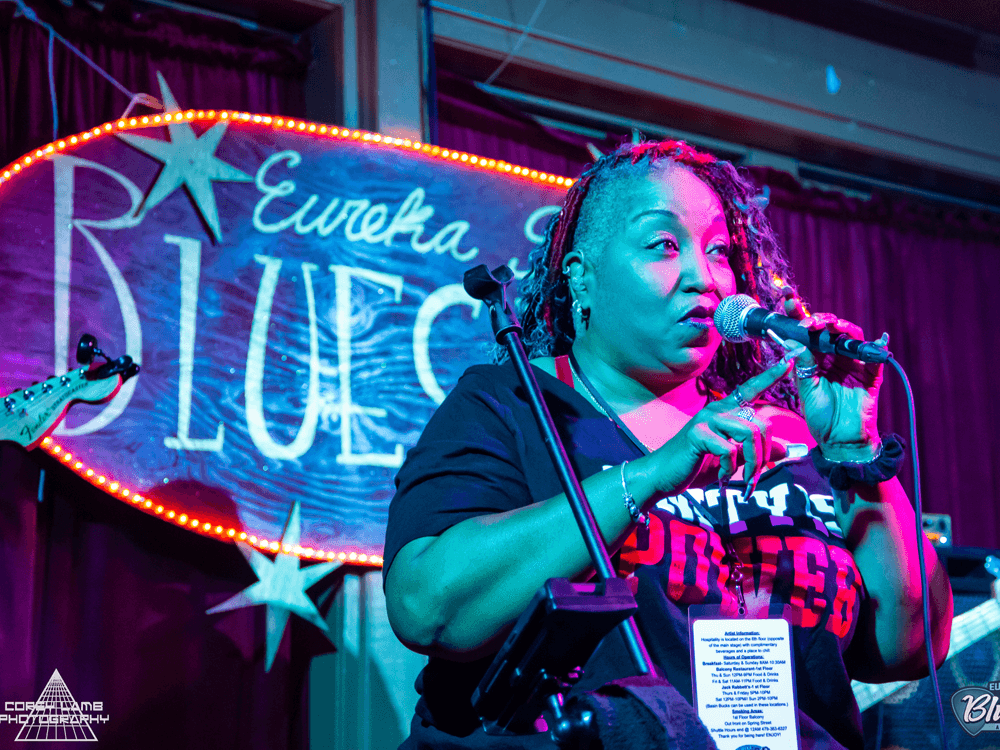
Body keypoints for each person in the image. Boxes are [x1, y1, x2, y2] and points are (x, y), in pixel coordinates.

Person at [382, 140, 953, 749]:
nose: (703, 278)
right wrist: (649, 475)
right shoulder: (515, 404)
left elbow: (912, 646)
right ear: (583, 278)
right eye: (663, 246)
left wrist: (854, 455)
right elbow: (428, 605)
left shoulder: (785, 437)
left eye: (719, 251)